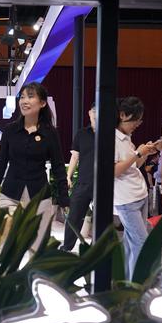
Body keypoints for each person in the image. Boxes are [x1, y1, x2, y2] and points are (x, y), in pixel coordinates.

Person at [0, 82, 69, 249]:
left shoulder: (50, 133)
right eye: (22, 97)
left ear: (42, 103)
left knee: (38, 247)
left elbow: (58, 167)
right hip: (10, 194)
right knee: (4, 245)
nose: (24, 101)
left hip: (40, 195)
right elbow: (0, 165)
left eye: (30, 97)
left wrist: (64, 199)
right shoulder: (10, 130)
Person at [113, 96, 157, 279]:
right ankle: (137, 283)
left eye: (140, 120)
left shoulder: (126, 138)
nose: (138, 124)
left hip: (139, 195)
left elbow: (134, 165)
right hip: (126, 200)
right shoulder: (112, 138)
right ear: (123, 115)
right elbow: (114, 171)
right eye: (136, 120)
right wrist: (138, 153)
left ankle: (128, 281)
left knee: (131, 244)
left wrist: (145, 153)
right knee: (141, 244)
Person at [61, 103, 97, 252]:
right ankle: (67, 247)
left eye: (99, 111)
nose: (96, 114)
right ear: (89, 113)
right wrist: (68, 176)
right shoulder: (81, 134)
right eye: (94, 111)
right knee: (74, 216)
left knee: (101, 218)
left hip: (104, 183)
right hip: (83, 182)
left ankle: (97, 248)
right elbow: (75, 157)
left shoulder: (110, 134)